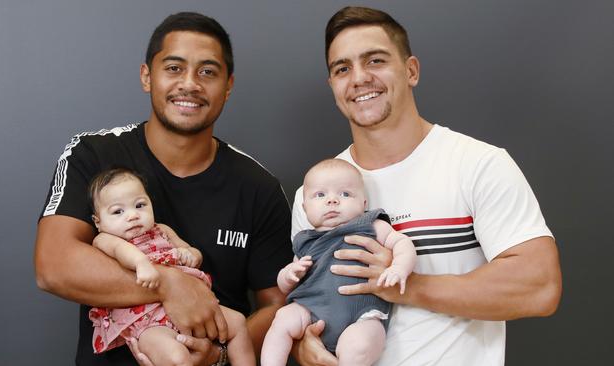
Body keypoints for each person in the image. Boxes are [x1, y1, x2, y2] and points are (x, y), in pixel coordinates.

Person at [291, 6, 562, 366]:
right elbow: (305, 300)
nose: (358, 78)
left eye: (375, 61)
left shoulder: (477, 164)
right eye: (343, 69)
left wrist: (405, 285)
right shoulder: (315, 192)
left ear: (411, 70)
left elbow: (539, 287)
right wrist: (302, 347)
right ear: (333, 87)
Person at [34, 12, 292, 366]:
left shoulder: (259, 187)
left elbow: (277, 305)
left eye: (207, 71)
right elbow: (53, 265)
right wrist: (170, 286)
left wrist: (219, 354)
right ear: (146, 76)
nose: (190, 83)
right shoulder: (93, 153)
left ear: (228, 85)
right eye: (174, 68)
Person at [87, 168, 255, 366]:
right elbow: (121, 251)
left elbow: (189, 249)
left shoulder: (162, 230)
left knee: (238, 322)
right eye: (118, 211)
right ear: (98, 222)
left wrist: (191, 254)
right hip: (147, 319)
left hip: (193, 305)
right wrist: (142, 263)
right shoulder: (104, 239)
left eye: (140, 205)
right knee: (177, 358)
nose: (132, 215)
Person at [261, 159, 416, 366]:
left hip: (361, 315)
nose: (332, 201)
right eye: (320, 195)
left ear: (364, 204)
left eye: (345, 194)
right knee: (283, 318)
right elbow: (284, 285)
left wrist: (399, 267)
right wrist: (289, 274)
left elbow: (402, 242)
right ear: (305, 208)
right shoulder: (305, 240)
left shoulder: (370, 225)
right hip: (311, 311)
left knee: (358, 346)